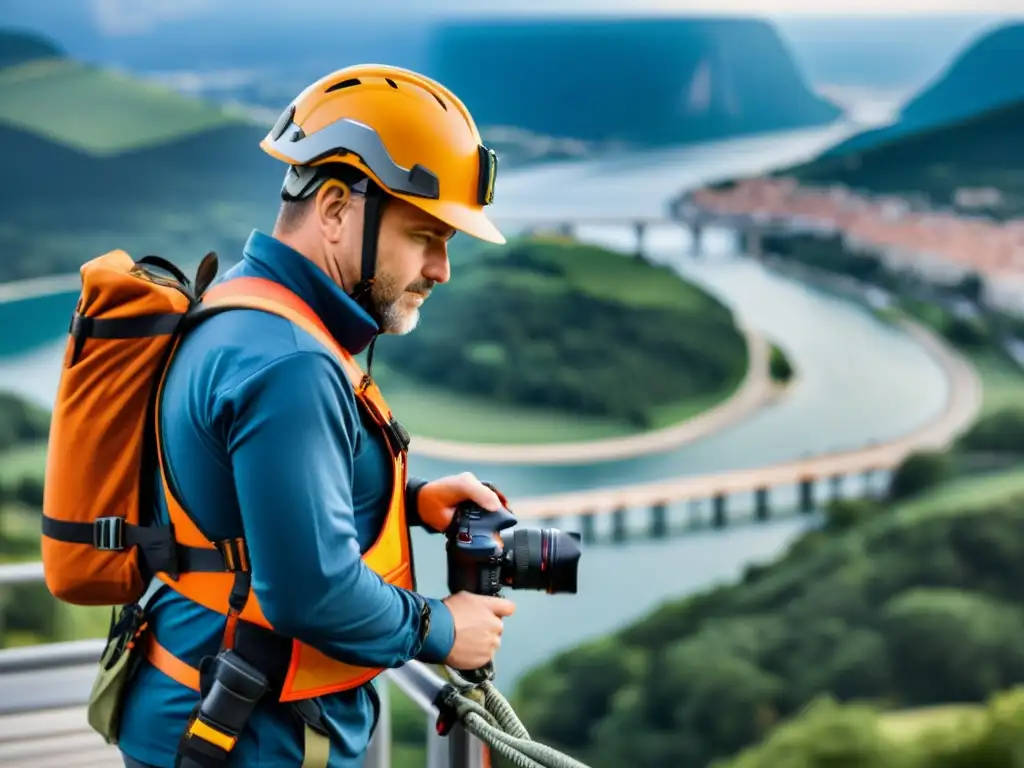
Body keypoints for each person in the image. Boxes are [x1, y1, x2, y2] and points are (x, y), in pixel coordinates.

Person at [116, 63, 516, 768]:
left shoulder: (246, 304)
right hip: (252, 735)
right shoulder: (292, 361)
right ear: (335, 209)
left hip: (207, 704)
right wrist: (443, 629)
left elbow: (240, 506)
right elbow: (311, 591)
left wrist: (412, 501)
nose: (441, 268)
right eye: (426, 234)